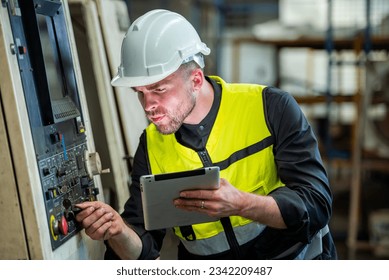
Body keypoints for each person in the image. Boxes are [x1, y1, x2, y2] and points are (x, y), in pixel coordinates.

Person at [75, 9, 338, 260]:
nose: (148, 106)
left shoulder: (270, 107)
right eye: (140, 93)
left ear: (196, 80)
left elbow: (316, 204)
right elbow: (145, 249)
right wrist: (119, 231)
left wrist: (242, 204)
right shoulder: (151, 146)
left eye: (159, 89)